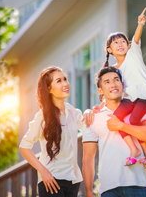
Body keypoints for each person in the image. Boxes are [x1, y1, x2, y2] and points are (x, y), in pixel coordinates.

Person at [82, 66, 146, 197]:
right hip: (108, 189)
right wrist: (89, 191)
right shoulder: (93, 118)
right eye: (107, 82)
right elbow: (88, 158)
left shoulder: (139, 109)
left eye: (116, 80)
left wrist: (121, 126)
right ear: (100, 90)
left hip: (138, 185)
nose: (113, 84)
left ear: (122, 84)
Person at [19, 66, 93, 197]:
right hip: (51, 180)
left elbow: (89, 125)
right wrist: (43, 171)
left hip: (73, 180)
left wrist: (88, 111)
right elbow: (24, 147)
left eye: (65, 79)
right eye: (59, 81)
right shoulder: (43, 116)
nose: (65, 84)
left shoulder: (72, 112)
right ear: (49, 89)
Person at [99, 7, 146, 166]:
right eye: (115, 43)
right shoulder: (114, 71)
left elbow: (136, 38)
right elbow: (113, 89)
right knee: (115, 119)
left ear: (128, 44)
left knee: (133, 119)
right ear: (110, 50)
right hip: (130, 98)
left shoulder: (133, 54)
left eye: (123, 41)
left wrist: (140, 24)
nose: (120, 44)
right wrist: (101, 105)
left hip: (144, 96)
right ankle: (134, 150)